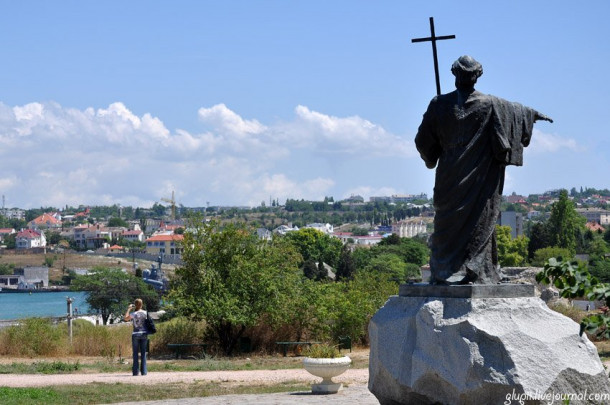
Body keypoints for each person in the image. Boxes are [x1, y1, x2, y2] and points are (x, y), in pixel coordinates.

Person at [415, 55, 552, 285]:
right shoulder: (488, 104)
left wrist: (433, 154)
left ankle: (457, 270)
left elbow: (423, 142)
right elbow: (517, 112)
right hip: (473, 177)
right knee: (474, 221)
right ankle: (466, 270)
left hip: (457, 176)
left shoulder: (440, 104)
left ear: (454, 74)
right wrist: (532, 115)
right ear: (476, 76)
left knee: (465, 223)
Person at [124, 298, 148, 376]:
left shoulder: (134, 314)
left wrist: (129, 309)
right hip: (144, 333)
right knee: (143, 353)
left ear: (135, 305)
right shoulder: (145, 313)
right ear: (142, 304)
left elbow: (126, 319)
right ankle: (144, 372)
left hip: (135, 333)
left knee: (135, 353)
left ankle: (135, 372)